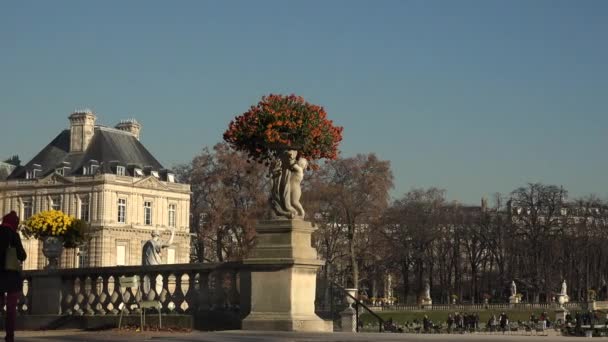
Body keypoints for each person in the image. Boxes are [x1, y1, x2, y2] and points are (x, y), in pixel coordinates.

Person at [0, 211, 27, 342]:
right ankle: (9, 336)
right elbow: (22, 256)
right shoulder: (14, 235)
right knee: (11, 309)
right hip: (11, 276)